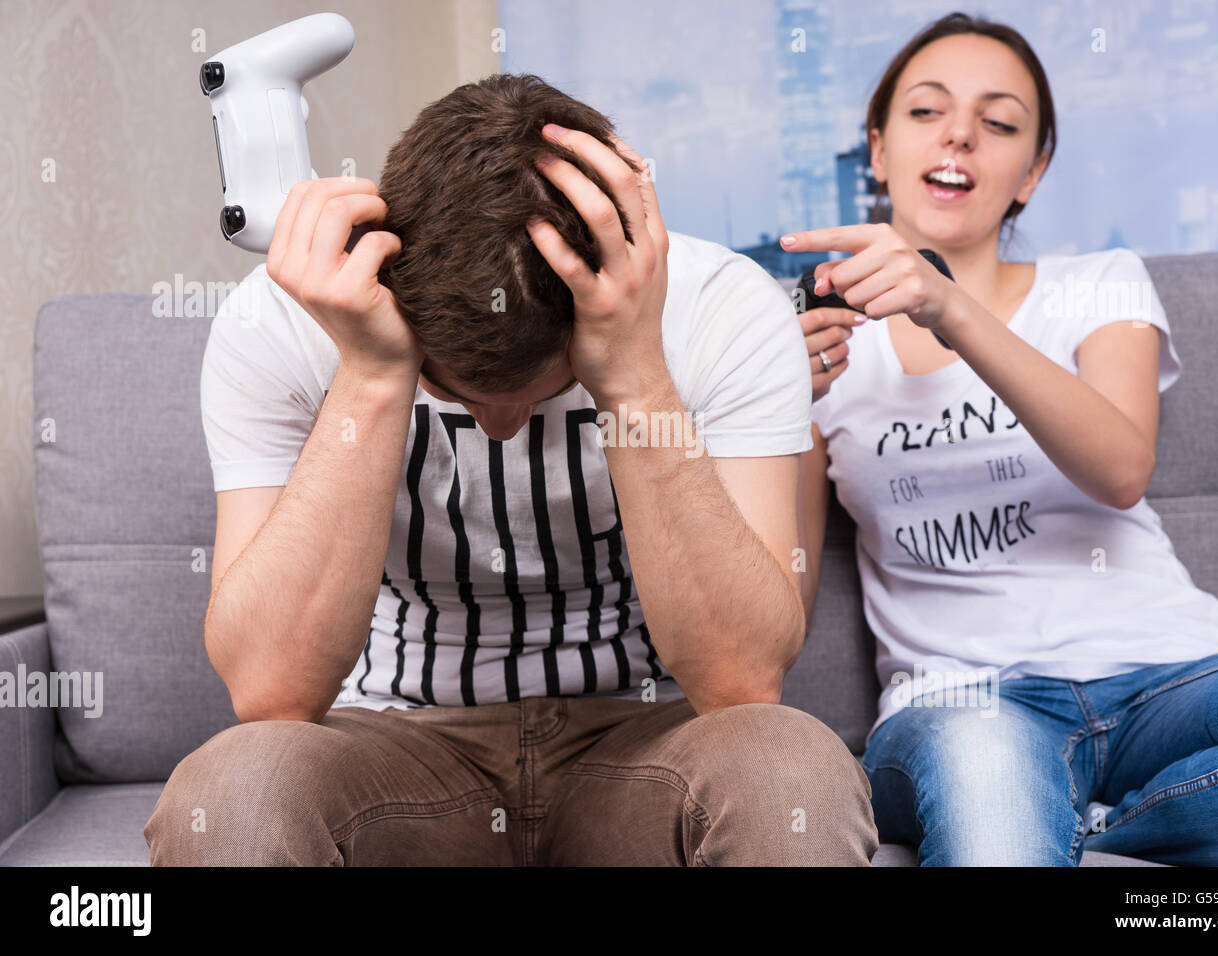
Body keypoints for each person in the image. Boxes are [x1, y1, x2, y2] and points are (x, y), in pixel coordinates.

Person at [144, 73, 876, 866]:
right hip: (396, 747)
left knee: (790, 771)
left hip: (640, 744)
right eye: (450, 387)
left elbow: (742, 681)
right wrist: (373, 376)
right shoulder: (285, 318)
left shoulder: (723, 307)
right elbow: (269, 692)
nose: (498, 427)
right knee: (231, 796)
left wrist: (631, 374)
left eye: (545, 387)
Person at [787, 12, 1218, 865]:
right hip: (961, 704)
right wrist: (767, 411)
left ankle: (1095, 827)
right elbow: (782, 600)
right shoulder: (825, 347)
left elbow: (1120, 467)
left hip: (1166, 677)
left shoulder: (1097, 284)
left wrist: (950, 307)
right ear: (877, 151)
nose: (960, 134)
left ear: (1031, 172)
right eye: (926, 112)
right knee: (986, 765)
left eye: (998, 123)